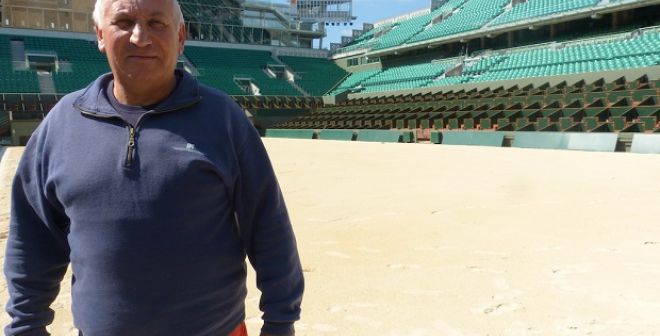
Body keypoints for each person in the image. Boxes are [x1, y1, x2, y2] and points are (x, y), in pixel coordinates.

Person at [3, 0, 304, 334]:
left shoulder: (223, 119)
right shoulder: (62, 123)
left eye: (156, 23)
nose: (140, 37)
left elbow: (269, 227)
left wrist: (280, 322)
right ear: (100, 35)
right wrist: (26, 324)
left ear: (181, 37)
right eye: (124, 21)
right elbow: (33, 236)